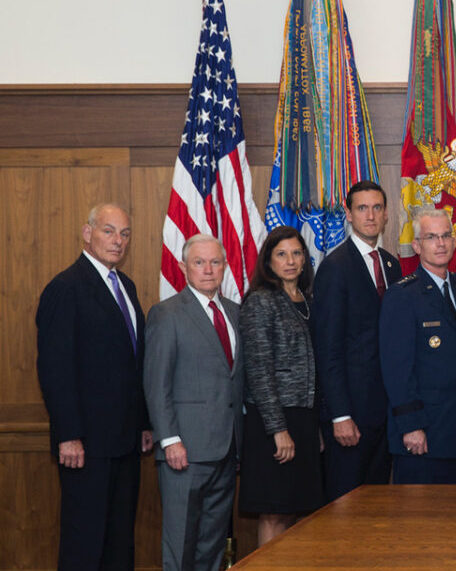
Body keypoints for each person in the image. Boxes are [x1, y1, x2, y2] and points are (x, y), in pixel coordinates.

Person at [36, 203, 151, 570]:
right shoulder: (66, 287)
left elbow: (135, 365)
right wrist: (68, 434)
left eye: (124, 233)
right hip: (85, 445)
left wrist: (144, 423)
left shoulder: (126, 287)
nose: (118, 241)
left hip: (126, 441)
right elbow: (55, 368)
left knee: (119, 542)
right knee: (84, 544)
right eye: (108, 230)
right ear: (87, 233)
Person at [144, 234, 244, 571]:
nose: (208, 270)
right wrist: (170, 439)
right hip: (184, 451)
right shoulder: (166, 314)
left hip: (227, 449)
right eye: (199, 263)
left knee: (213, 542)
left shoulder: (234, 313)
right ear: (184, 267)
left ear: (225, 266)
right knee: (181, 543)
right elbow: (157, 383)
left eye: (215, 262)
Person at [310, 180, 402, 500]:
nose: (371, 215)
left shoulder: (392, 265)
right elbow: (328, 349)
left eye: (377, 208)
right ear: (348, 214)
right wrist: (340, 415)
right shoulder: (334, 268)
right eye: (362, 208)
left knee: (375, 508)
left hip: (385, 413)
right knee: (344, 509)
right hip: (350, 417)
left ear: (387, 214)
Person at [238, 226, 322, 545]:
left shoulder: (308, 300)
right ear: (268, 261)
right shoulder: (261, 302)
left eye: (297, 253)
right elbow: (259, 370)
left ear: (305, 259)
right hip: (272, 420)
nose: (290, 261)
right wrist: (278, 429)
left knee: (294, 509)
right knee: (273, 511)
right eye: (281, 254)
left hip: (304, 417)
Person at [380, 208, 456, 483]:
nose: (441, 243)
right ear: (417, 246)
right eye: (432, 237)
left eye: (446, 235)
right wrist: (411, 426)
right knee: (419, 523)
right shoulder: (402, 296)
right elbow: (396, 370)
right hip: (422, 434)